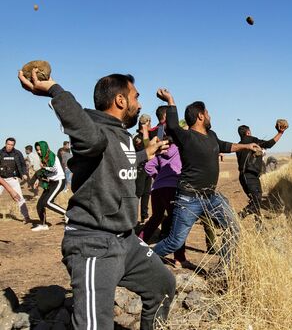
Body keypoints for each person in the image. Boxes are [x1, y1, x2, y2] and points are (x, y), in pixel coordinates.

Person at [18, 69, 175, 330]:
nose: (140, 103)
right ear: (120, 100)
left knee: (163, 286)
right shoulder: (95, 129)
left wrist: (143, 155)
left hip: (126, 241)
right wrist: (55, 90)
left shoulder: (119, 134)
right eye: (136, 96)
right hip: (93, 244)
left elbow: (114, 163)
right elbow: (92, 140)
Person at [153, 88, 259, 266]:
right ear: (200, 116)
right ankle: (140, 259)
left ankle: (225, 268)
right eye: (207, 113)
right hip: (189, 199)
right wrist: (170, 100)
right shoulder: (186, 137)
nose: (210, 116)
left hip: (211, 197)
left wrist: (246, 147)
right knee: (174, 242)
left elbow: (224, 146)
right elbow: (172, 126)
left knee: (234, 227)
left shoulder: (211, 135)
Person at [140, 118, 189, 268]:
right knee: (177, 222)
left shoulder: (161, 152)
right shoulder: (180, 150)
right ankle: (179, 258)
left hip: (157, 189)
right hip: (172, 188)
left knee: (156, 218)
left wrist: (158, 176)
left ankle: (138, 244)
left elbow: (148, 166)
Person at [237, 123, 287, 218]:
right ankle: (237, 218)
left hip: (244, 177)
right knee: (257, 202)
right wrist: (280, 133)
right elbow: (269, 144)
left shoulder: (239, 145)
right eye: (250, 132)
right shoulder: (251, 140)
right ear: (248, 132)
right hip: (250, 176)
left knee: (255, 201)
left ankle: (259, 226)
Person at [31, 141, 66, 231]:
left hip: (59, 181)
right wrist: (38, 180)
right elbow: (44, 172)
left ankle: (67, 214)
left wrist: (44, 168)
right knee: (40, 205)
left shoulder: (50, 155)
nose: (38, 152)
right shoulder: (43, 157)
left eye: (40, 150)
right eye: (37, 150)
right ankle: (44, 224)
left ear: (44, 148)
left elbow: (54, 169)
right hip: (51, 182)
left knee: (48, 202)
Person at [0, 137, 30, 222]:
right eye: (8, 144)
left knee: (19, 197)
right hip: (1, 179)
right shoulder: (0, 153)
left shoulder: (17, 153)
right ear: (5, 144)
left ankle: (26, 217)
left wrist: (24, 173)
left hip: (13, 178)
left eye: (11, 145)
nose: (9, 146)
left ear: (14, 145)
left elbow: (23, 164)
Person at [133, 115, 153, 222]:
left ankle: (143, 216)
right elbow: (147, 148)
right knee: (138, 194)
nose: (151, 125)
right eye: (149, 122)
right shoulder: (137, 138)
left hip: (147, 169)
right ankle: (133, 218)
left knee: (146, 193)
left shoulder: (147, 137)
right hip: (139, 169)